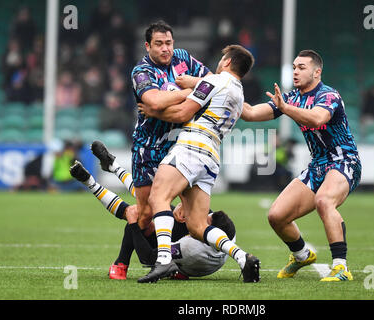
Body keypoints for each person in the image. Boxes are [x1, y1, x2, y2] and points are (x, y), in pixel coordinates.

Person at [137, 44, 260, 283]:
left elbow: (183, 113)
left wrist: (153, 112)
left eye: (222, 58)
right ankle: (243, 257)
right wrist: (193, 82)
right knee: (196, 225)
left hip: (192, 146)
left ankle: (163, 260)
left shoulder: (214, 81)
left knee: (158, 197)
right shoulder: (239, 92)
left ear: (226, 62)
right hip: (212, 156)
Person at [103, 20, 211, 279]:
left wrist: (176, 95)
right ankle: (121, 262)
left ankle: (176, 263)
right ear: (147, 46)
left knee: (188, 212)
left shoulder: (183, 58)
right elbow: (152, 100)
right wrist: (189, 91)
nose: (166, 49)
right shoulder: (141, 71)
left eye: (169, 43)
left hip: (182, 144)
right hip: (148, 148)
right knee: (146, 214)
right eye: (159, 44)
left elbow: (212, 83)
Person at [241, 49, 361, 281]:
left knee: (324, 201)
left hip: (344, 160)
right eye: (294, 67)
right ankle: (301, 255)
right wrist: (225, 90)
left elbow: (318, 118)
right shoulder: (292, 98)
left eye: (301, 67)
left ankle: (340, 267)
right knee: (276, 216)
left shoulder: (328, 95)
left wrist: (285, 108)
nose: (296, 71)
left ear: (317, 72)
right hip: (318, 165)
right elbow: (251, 113)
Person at [69, 142, 236, 280]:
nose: (200, 218)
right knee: (149, 201)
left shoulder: (190, 248)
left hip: (173, 256)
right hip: (181, 244)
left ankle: (121, 263)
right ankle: (111, 167)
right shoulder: (224, 231)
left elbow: (147, 258)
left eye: (205, 221)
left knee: (137, 214)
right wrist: (184, 204)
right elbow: (203, 213)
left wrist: (134, 224)